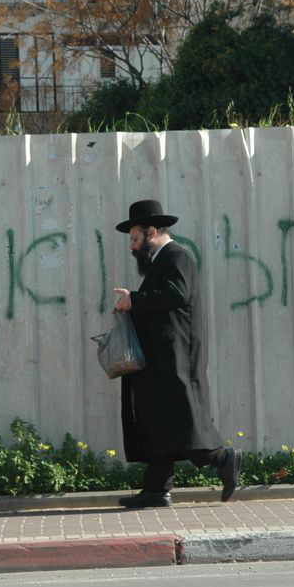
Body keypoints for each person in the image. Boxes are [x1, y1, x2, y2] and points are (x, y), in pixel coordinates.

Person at [111, 199, 241, 508]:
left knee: (181, 420)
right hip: (161, 357)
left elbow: (176, 295)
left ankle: (222, 458)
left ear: (151, 231)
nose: (131, 246)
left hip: (176, 358)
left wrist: (135, 300)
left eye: (134, 238)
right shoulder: (161, 261)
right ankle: (157, 488)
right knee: (156, 419)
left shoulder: (177, 256)